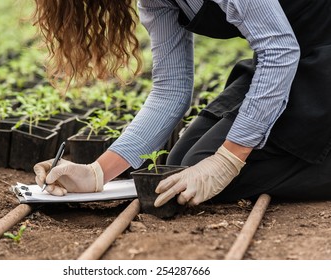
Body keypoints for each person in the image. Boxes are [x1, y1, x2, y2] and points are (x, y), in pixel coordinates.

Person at [33, 0, 331, 207]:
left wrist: (228, 159)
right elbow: (171, 89)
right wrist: (96, 174)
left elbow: (279, 49)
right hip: (295, 60)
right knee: (178, 169)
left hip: (305, 61)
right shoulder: (157, 3)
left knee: (209, 171)